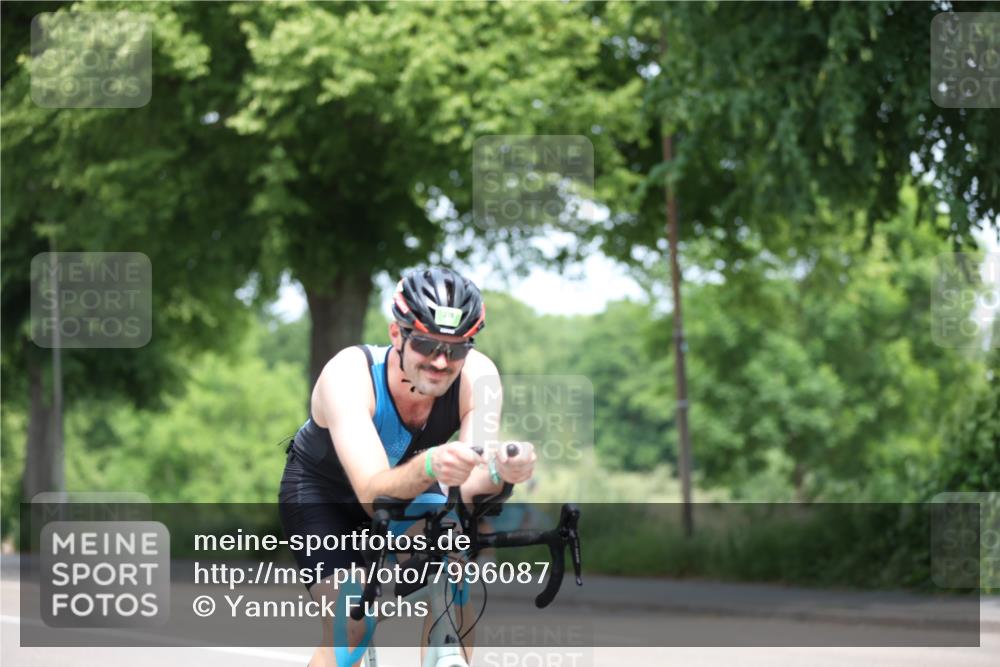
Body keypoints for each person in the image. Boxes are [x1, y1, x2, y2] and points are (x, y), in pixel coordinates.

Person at [278, 267, 536, 667]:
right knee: (352, 626)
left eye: (456, 349)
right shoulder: (349, 374)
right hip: (324, 495)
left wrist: (502, 472)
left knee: (454, 578)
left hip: (413, 484)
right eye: (426, 344)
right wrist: (431, 464)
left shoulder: (478, 376)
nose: (440, 361)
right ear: (397, 334)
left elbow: (469, 486)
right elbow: (372, 492)